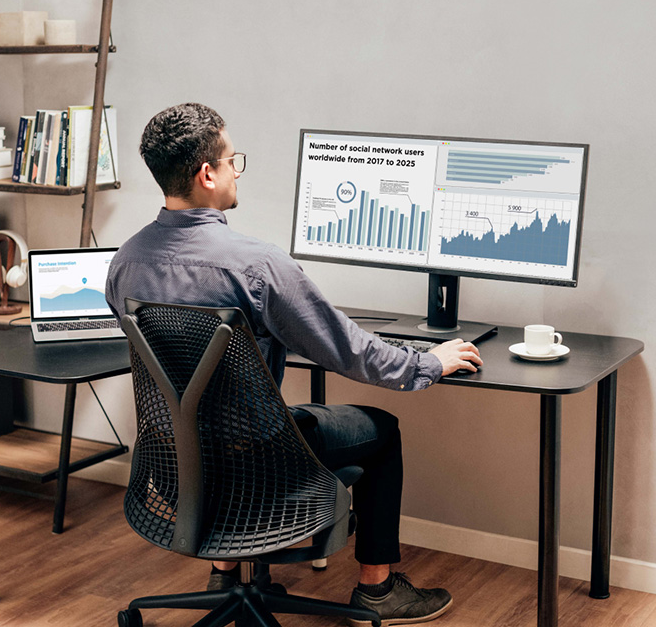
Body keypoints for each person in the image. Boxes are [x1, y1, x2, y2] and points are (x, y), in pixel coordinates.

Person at [106, 103, 482, 625]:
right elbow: (347, 349)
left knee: (215, 425)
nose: (238, 169)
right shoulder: (257, 266)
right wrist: (427, 363)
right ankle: (377, 591)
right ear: (207, 173)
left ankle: (224, 569)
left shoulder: (125, 262)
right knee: (381, 429)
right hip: (260, 474)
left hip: (172, 470)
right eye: (232, 159)